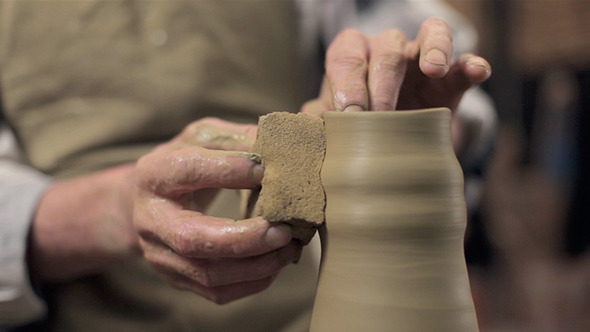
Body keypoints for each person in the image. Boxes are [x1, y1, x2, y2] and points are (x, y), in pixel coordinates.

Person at [0, 1, 491, 330]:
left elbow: (395, 26)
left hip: (302, 305)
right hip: (65, 307)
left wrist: (397, 119)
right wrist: (111, 213)